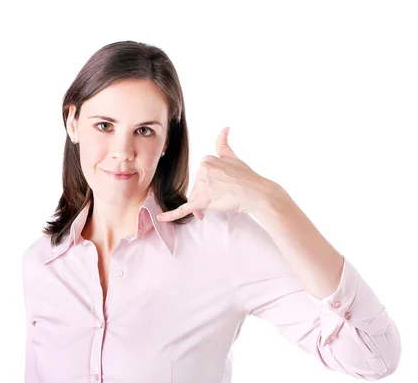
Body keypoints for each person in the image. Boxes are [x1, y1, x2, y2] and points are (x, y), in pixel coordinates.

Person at [21, 40, 401, 383]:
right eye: (104, 125)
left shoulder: (221, 241)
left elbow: (373, 353)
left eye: (145, 131)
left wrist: (269, 200)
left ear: (168, 138)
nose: (122, 151)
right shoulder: (42, 263)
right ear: (72, 122)